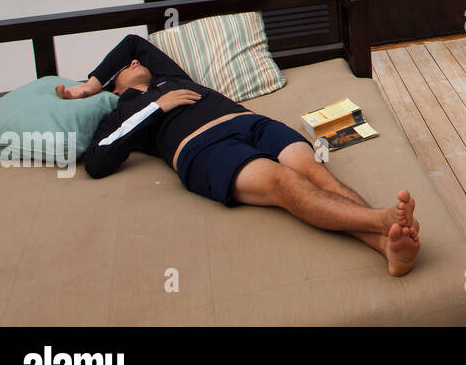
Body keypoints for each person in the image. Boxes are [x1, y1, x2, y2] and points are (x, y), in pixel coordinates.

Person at [57, 34, 421, 276]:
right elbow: (98, 161)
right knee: (284, 182)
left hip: (251, 122)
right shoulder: (121, 114)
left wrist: (90, 83)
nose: (133, 63)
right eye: (124, 69)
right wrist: (154, 106)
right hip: (204, 148)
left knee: (314, 171)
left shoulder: (170, 76)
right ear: (116, 88)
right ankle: (380, 221)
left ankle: (385, 243)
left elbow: (132, 43)